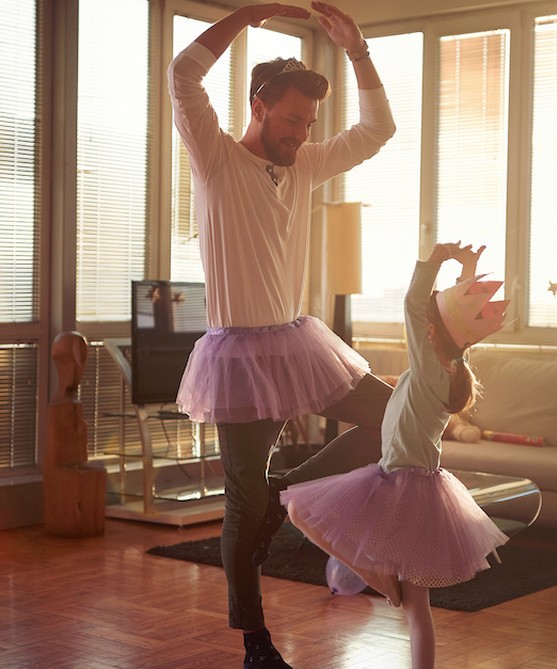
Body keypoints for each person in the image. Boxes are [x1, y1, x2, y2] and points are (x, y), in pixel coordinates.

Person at [167, 3, 396, 667]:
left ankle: (291, 490)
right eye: (293, 119)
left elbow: (380, 128)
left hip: (298, 345)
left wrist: (356, 51)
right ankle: (256, 643)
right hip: (236, 355)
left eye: (309, 123)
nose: (302, 132)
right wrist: (251, 13)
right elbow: (184, 74)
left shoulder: (304, 165)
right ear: (260, 106)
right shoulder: (215, 159)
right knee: (243, 501)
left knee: (392, 414)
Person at [280, 242, 512, 669]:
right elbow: (457, 323)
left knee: (298, 508)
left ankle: (377, 577)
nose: (422, 326)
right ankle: (388, 592)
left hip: (397, 483)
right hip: (419, 485)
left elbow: (413, 305)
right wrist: (469, 271)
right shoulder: (451, 368)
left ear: (431, 333)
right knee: (417, 609)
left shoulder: (427, 367)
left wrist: (433, 262)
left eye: (429, 324)